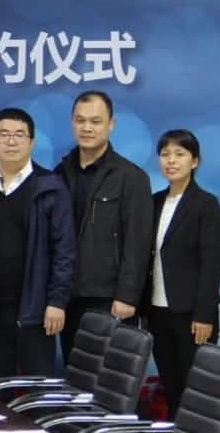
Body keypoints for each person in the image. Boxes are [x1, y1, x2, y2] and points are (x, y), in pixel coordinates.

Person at [0, 107, 76, 382]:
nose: (11, 141)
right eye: (4, 134)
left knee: (38, 389)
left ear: (31, 142)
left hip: (36, 311)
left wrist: (57, 302)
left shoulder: (51, 186)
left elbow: (64, 251)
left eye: (19, 135)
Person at [57, 90, 152, 364]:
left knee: (109, 377)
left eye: (95, 121)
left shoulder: (131, 177)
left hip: (110, 300)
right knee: (75, 373)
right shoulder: (59, 173)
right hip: (68, 297)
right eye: (80, 120)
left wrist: (127, 296)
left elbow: (138, 243)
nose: (87, 127)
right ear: (72, 123)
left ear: (111, 124)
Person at [145, 129, 220, 419]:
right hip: (157, 312)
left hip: (191, 315)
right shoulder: (153, 202)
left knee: (196, 392)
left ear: (195, 161)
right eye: (165, 154)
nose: (171, 161)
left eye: (180, 154)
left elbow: (211, 263)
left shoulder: (205, 204)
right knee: (172, 386)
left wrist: (204, 315)